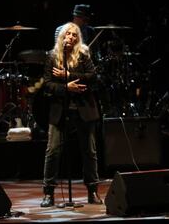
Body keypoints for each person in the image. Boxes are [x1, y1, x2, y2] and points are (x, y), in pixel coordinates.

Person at [40, 22, 103, 207]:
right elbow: (47, 84)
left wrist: (68, 74)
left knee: (89, 152)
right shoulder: (52, 56)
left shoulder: (83, 54)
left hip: (84, 109)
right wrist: (66, 87)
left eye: (75, 35)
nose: (71, 37)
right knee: (52, 151)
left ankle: (92, 191)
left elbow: (93, 76)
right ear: (61, 36)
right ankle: (48, 193)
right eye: (68, 34)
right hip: (61, 109)